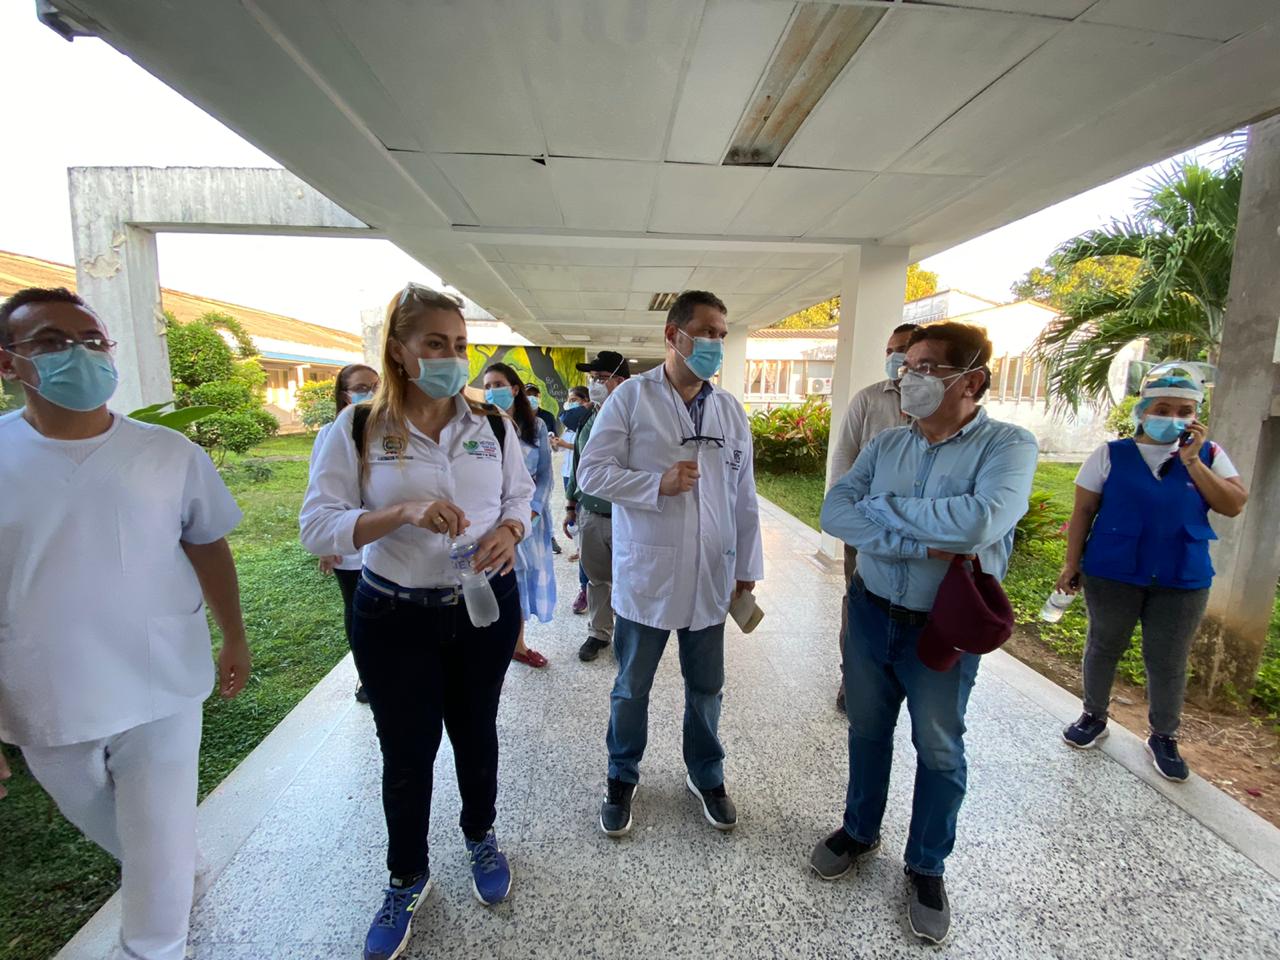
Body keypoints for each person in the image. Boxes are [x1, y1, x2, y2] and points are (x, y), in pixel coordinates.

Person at [0, 287, 251, 960]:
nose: (78, 355)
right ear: (9, 363)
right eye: (52, 342)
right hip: (41, 688)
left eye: (91, 340)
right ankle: (177, 863)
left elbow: (207, 543)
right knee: (117, 825)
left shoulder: (167, 452)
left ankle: (154, 947)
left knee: (157, 833)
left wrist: (233, 633)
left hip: (160, 674)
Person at [300, 284, 533, 960]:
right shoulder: (356, 429)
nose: (451, 357)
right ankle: (406, 877)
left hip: (484, 608)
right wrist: (397, 514)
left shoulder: (489, 425)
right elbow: (319, 527)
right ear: (400, 352)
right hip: (393, 614)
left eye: (460, 345)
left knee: (476, 731)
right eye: (436, 344)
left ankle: (480, 834)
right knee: (407, 752)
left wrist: (512, 529)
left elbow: (519, 495)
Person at [815, 322, 1037, 945]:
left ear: (971, 381)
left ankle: (926, 865)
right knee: (866, 729)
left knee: (939, 748)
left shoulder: (1007, 447)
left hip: (943, 628)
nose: (906, 377)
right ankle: (859, 830)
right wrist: (917, 540)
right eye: (905, 365)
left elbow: (978, 523)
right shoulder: (887, 445)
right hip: (870, 610)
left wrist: (883, 514)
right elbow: (835, 509)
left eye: (924, 367)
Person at [578, 290, 763, 838]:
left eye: (722, 334)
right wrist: (653, 483)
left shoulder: (728, 409)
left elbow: (743, 495)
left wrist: (746, 564)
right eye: (706, 331)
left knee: (707, 687)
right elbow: (591, 473)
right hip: (649, 575)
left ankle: (706, 774)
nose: (715, 343)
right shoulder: (632, 399)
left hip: (712, 574)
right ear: (673, 335)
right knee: (632, 686)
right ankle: (621, 775)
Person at [1057, 363, 1246, 781]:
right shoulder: (1110, 455)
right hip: (1114, 570)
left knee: (1168, 658)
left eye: (1184, 410)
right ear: (1143, 409)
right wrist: (1072, 564)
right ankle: (1094, 714)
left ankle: (1163, 735)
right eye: (1163, 407)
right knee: (1104, 644)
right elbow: (1084, 510)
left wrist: (1193, 462)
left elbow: (1232, 504)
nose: (1173, 418)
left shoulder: (1211, 456)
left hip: (1182, 575)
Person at [828, 322, 918, 713]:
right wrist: (840, 511)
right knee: (861, 601)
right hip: (868, 527)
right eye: (889, 350)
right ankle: (854, 679)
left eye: (902, 349)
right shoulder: (868, 400)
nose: (894, 358)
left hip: (920, 534)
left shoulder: (939, 407)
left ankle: (908, 675)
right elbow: (843, 455)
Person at [311, 362, 380, 702]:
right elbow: (319, 491)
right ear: (344, 394)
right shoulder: (329, 433)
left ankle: (390, 668)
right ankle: (367, 676)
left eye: (376, 385)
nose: (372, 393)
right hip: (349, 539)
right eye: (363, 387)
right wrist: (327, 544)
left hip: (384, 538)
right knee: (356, 609)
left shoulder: (387, 428)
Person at [483, 362, 553, 669]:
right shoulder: (481, 426)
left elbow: (546, 475)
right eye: (486, 386)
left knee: (521, 580)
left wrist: (533, 510)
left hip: (529, 521)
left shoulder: (535, 427)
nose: (491, 391)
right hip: (489, 521)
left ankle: (518, 644)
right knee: (494, 578)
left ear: (514, 389)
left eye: (497, 384)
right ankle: (491, 643)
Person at [564, 352, 631, 662]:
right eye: (593, 378)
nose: (594, 384)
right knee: (597, 577)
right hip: (591, 511)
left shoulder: (636, 416)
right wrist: (571, 505)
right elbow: (578, 462)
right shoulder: (590, 416)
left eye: (601, 377)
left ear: (620, 380)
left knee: (629, 579)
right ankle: (598, 632)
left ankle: (630, 637)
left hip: (626, 514)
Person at [554, 384, 593, 614]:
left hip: (615, 501)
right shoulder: (584, 418)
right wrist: (570, 505)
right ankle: (584, 590)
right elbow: (566, 416)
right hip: (582, 490)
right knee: (587, 548)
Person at [525, 383, 563, 555]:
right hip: (521, 477)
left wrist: (551, 442)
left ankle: (550, 537)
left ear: (539, 397)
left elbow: (555, 444)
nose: (530, 398)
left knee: (543, 505)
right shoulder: (516, 417)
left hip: (541, 469)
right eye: (527, 394)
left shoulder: (545, 418)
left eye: (534, 395)